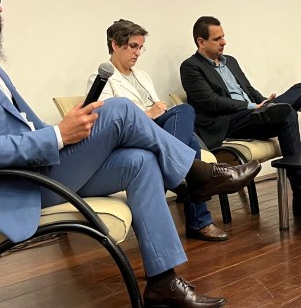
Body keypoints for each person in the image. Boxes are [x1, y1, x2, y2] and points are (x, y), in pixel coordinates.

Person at [0, 0, 262, 308]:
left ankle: (163, 280)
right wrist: (57, 136)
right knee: (117, 109)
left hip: (36, 170)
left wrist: (65, 130)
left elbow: (21, 123)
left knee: (139, 159)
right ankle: (194, 176)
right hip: (11, 184)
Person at [88, 19, 228, 241]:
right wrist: (149, 114)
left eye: (140, 47)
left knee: (184, 113)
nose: (138, 53)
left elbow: (160, 109)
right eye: (133, 46)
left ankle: (174, 169)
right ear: (115, 45)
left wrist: (157, 113)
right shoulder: (102, 79)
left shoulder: (141, 76)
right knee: (189, 145)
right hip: (129, 138)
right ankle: (199, 221)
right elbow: (108, 122)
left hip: (155, 133)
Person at [179, 16, 301, 214]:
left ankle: (272, 110)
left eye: (223, 37)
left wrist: (263, 102)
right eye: (217, 39)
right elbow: (211, 101)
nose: (224, 42)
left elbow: (249, 89)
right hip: (227, 122)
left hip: (254, 114)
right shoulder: (191, 67)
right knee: (288, 114)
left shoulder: (230, 61)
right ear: (201, 42)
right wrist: (252, 106)